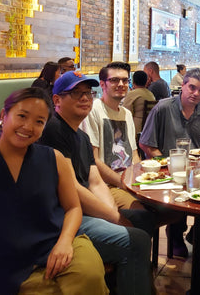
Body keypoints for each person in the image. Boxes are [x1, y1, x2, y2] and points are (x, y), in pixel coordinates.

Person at [0, 88, 107, 294]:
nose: (28, 127)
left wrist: (65, 242)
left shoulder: (54, 159)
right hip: (6, 261)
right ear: (3, 116)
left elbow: (73, 208)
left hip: (59, 242)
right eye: (22, 116)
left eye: (39, 122)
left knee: (89, 275)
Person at [39, 71, 155, 293]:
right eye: (76, 93)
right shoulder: (53, 130)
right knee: (137, 241)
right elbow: (71, 188)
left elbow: (94, 181)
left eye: (88, 93)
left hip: (84, 211)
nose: (85, 98)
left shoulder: (81, 137)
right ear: (57, 100)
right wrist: (113, 218)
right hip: (64, 217)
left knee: (143, 219)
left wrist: (112, 214)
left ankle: (126, 281)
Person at [139, 68, 200, 258]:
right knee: (177, 200)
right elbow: (146, 143)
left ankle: (199, 235)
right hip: (168, 172)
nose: (196, 93)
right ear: (182, 86)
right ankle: (175, 235)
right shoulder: (163, 108)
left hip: (197, 170)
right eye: (192, 87)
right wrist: (165, 165)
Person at [81, 62, 141, 210]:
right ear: (102, 84)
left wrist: (140, 180)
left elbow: (134, 154)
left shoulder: (126, 114)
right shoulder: (93, 110)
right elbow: (93, 160)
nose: (121, 84)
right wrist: (125, 184)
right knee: (141, 211)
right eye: (114, 80)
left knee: (170, 207)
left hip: (127, 181)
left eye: (125, 80)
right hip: (107, 185)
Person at [123, 70, 156, 134]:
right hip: (150, 129)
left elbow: (125, 113)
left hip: (136, 130)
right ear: (146, 81)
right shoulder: (151, 94)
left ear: (133, 81)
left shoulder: (132, 94)